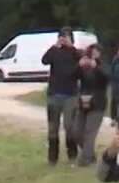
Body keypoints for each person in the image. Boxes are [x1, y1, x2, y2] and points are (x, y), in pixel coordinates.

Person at [42, 28, 82, 165]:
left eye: (66, 37)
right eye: (61, 37)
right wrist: (54, 47)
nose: (63, 39)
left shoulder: (75, 53)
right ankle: (52, 158)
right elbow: (44, 60)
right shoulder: (54, 51)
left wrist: (72, 47)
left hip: (70, 94)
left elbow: (82, 62)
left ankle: (72, 155)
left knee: (69, 126)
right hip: (54, 93)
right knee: (53, 128)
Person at [75, 44, 110, 167]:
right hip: (83, 102)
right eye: (91, 52)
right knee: (77, 132)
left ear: (100, 53)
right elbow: (74, 76)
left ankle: (85, 160)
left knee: (89, 132)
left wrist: (97, 68)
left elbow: (107, 77)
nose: (93, 55)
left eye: (96, 52)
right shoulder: (85, 67)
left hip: (98, 104)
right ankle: (90, 155)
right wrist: (79, 66)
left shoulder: (104, 65)